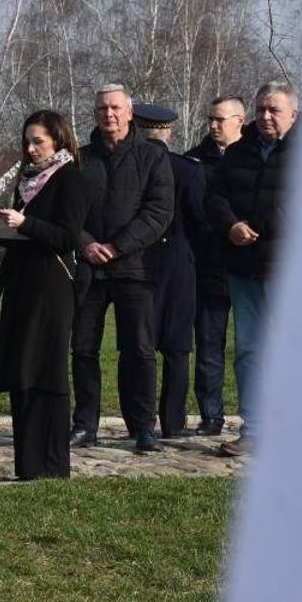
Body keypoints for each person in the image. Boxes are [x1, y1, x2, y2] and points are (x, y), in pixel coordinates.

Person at [0, 110, 88, 480]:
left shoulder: (70, 178)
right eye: (27, 141)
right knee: (21, 370)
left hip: (52, 287)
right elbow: (21, 238)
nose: (31, 148)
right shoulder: (26, 180)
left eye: (38, 141)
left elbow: (67, 236)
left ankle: (53, 465)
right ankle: (27, 464)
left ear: (58, 140)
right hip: (21, 283)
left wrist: (26, 222)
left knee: (47, 372)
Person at [69, 83, 174, 453]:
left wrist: (117, 246)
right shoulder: (79, 159)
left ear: (130, 113)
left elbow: (158, 213)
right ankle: (84, 425)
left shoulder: (152, 157)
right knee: (83, 348)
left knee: (139, 350)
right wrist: (85, 244)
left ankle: (143, 427)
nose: (108, 114)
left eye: (114, 108)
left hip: (135, 268)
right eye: (101, 109)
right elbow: (68, 213)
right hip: (90, 269)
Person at [206, 80, 298, 458]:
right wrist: (231, 224)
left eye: (273, 110)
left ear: (292, 114)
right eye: (260, 109)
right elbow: (214, 196)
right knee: (249, 351)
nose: (265, 116)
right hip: (244, 269)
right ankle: (254, 429)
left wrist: (261, 225)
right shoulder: (238, 151)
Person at [133, 102, 207, 437]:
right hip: (179, 261)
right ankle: (173, 424)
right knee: (177, 349)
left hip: (136, 260)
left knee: (138, 345)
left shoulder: (130, 164)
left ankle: (138, 422)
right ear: (168, 131)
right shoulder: (188, 169)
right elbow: (199, 220)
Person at [187, 96, 246, 436]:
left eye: (220, 119)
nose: (212, 125)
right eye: (210, 118)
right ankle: (211, 415)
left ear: (239, 121)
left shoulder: (256, 159)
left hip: (251, 265)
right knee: (209, 346)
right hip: (209, 265)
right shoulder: (196, 161)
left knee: (253, 347)